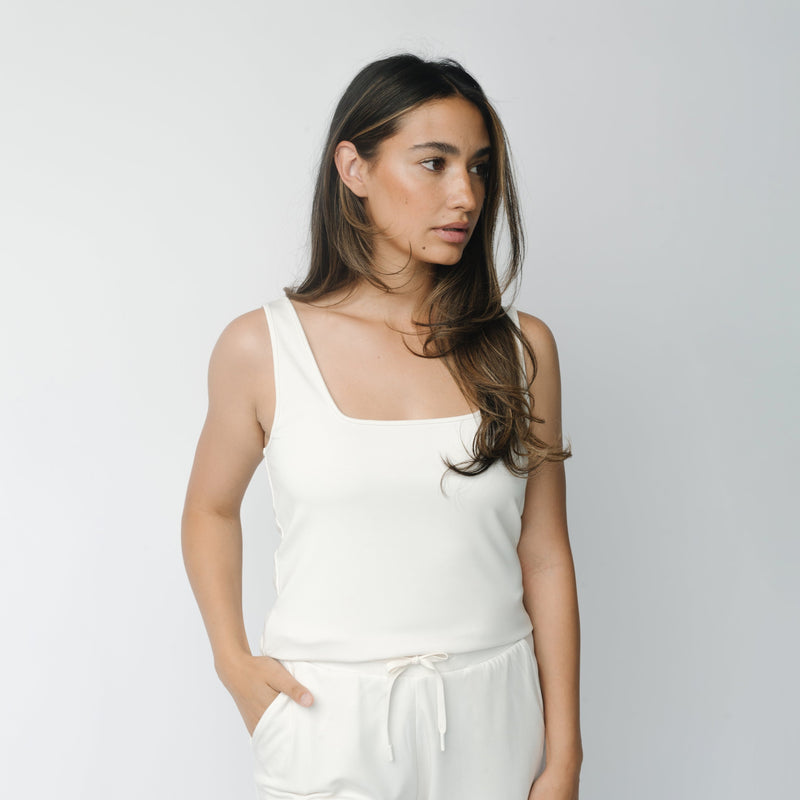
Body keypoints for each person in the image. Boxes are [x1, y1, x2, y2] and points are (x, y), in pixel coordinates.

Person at [182, 53, 582, 800]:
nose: (465, 194)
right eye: (433, 163)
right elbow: (208, 508)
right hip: (325, 717)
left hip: (496, 720)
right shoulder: (261, 348)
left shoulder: (521, 349)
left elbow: (546, 554)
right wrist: (233, 663)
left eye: (480, 168)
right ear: (354, 168)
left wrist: (565, 756)